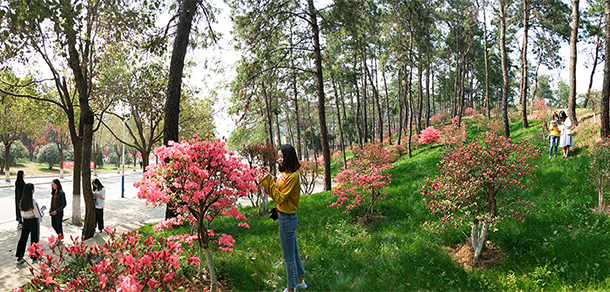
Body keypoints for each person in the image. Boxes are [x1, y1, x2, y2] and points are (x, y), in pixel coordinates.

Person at [259, 144, 307, 292]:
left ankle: (291, 288)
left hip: (287, 218)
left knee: (289, 257)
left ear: (289, 158)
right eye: (278, 157)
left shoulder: (293, 176)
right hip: (284, 216)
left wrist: (267, 180)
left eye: (282, 157)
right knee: (294, 252)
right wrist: (269, 178)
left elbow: (279, 197)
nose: (279, 160)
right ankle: (300, 281)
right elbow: (278, 188)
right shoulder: (286, 173)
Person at [16, 183, 42, 265]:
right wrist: (42, 212)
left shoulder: (21, 201)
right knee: (34, 239)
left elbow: (21, 213)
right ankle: (34, 257)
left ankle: (19, 257)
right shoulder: (33, 202)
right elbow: (38, 214)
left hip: (25, 221)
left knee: (23, 238)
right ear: (32, 191)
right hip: (33, 221)